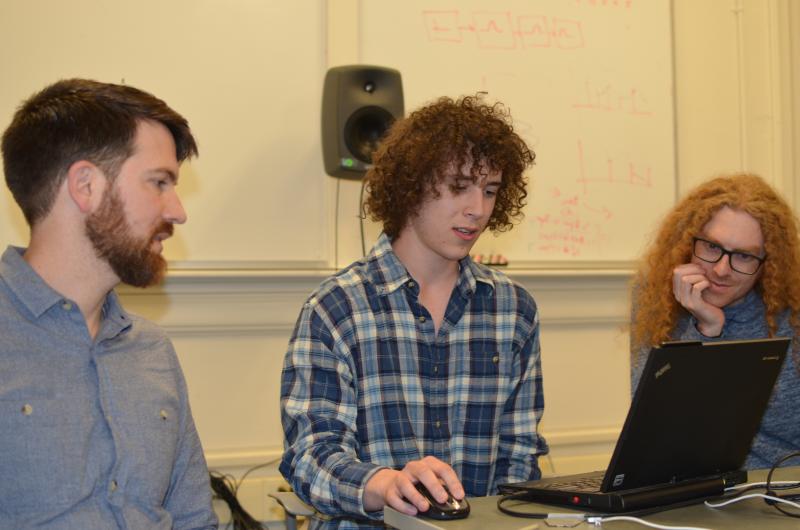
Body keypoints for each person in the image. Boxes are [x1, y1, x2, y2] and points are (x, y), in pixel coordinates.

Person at [280, 95, 548, 529]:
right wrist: (384, 484)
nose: (477, 209)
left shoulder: (513, 310)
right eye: (459, 186)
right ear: (412, 186)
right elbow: (310, 458)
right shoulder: (336, 309)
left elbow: (519, 455)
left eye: (491, 190)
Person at [0, 79, 217, 528]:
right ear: (86, 185)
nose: (178, 211)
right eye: (159, 182)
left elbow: (195, 518)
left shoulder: (152, 351)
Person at [630, 173, 800, 469]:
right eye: (711, 247)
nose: (722, 270)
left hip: (781, 495)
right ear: (687, 241)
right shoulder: (657, 295)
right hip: (691, 491)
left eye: (744, 257)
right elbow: (655, 429)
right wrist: (706, 330)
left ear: (767, 263)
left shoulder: (791, 310)